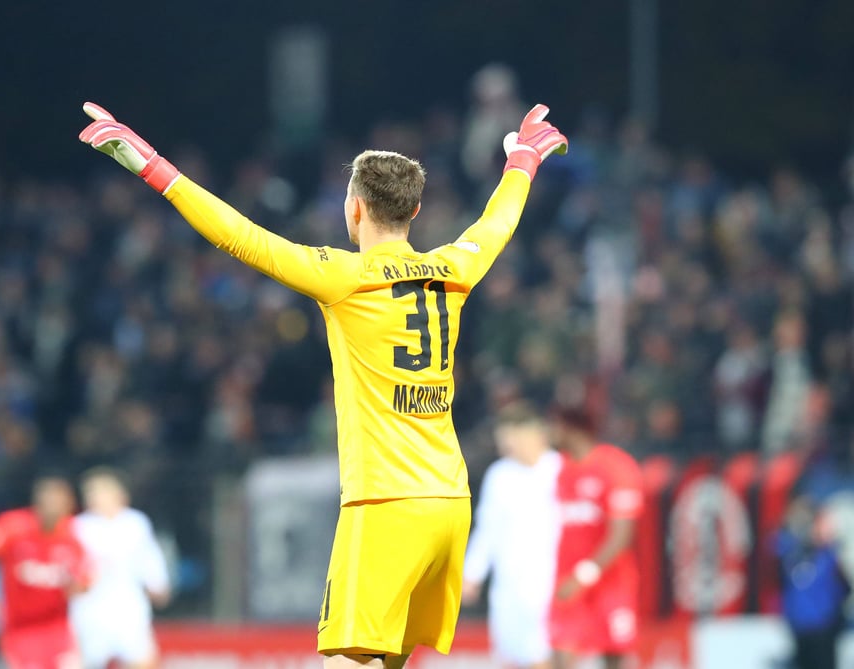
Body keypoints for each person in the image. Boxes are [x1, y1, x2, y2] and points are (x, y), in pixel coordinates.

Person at [79, 100, 567, 669]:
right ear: (414, 210)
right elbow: (497, 225)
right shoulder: (453, 267)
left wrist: (151, 166)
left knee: (344, 664)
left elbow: (242, 237)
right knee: (385, 663)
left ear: (354, 210)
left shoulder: (347, 277)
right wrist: (523, 161)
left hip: (385, 502)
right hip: (450, 502)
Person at [462, 404, 562, 669]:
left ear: (538, 435)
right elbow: (487, 529)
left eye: (516, 439)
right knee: (508, 654)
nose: (511, 447)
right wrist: (472, 573)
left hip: (547, 578)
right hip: (507, 581)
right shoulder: (500, 475)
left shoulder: (559, 470)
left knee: (540, 654)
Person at [548, 406, 643, 669]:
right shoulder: (554, 469)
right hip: (566, 583)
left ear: (571, 428)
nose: (550, 432)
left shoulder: (616, 467)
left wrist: (584, 576)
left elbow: (621, 535)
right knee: (561, 656)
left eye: (554, 425)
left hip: (610, 582)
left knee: (615, 658)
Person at [0, 475, 90, 669]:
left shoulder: (72, 534)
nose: (53, 507)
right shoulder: (13, 526)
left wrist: (73, 584)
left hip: (57, 626)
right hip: (21, 628)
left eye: (58, 502)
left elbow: (84, 581)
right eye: (48, 501)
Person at [71, 467, 170, 669]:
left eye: (101, 491)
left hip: (129, 609)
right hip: (90, 611)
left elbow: (149, 558)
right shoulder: (78, 527)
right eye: (91, 492)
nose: (96, 497)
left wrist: (158, 584)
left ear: (119, 494)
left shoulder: (135, 523)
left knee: (143, 661)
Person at [776, 495, 849, 669]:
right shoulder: (788, 553)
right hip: (799, 629)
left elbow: (844, 587)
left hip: (824, 629)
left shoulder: (828, 555)